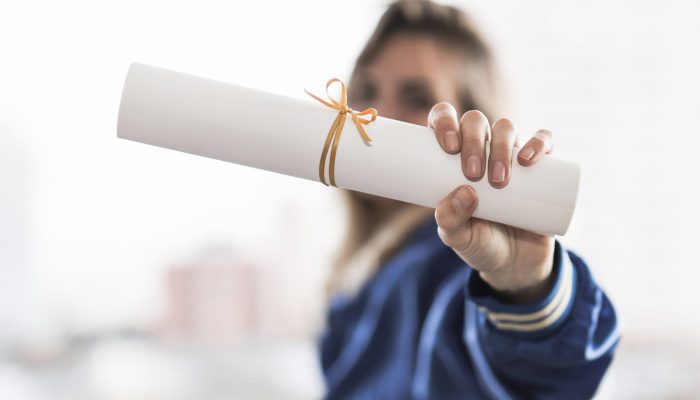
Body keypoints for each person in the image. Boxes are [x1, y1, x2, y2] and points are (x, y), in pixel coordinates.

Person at [319, 1, 620, 399]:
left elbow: (541, 375)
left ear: (471, 126)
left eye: (415, 96)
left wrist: (524, 289)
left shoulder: (456, 266)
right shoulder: (366, 271)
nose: (378, 115)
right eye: (367, 90)